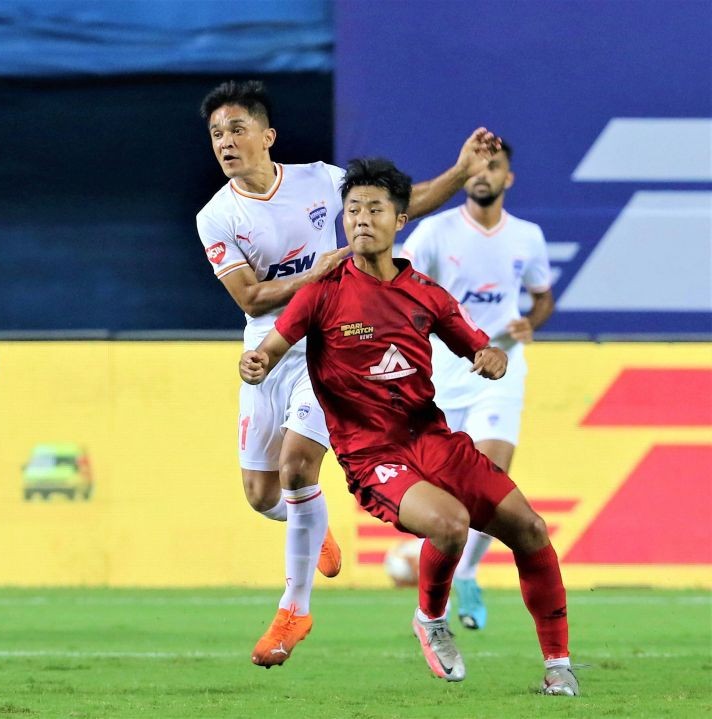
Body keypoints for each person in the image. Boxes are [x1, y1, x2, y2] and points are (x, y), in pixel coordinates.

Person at [239, 158, 578, 695]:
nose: (361, 220)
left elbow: (479, 346)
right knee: (450, 525)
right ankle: (430, 619)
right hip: (372, 453)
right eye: (352, 210)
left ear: (401, 221)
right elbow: (270, 348)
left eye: (375, 209)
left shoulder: (426, 292)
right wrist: (255, 362)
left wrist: (492, 357)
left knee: (532, 530)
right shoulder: (322, 292)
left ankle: (558, 667)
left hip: (433, 439)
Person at [197, 81, 501, 667]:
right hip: (268, 349)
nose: (226, 143)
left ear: (268, 136)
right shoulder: (217, 216)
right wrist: (319, 270)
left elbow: (398, 200)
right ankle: (310, 525)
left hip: (329, 344)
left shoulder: (317, 180)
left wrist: (461, 172)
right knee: (263, 496)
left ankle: (295, 608)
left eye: (237, 129)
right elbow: (252, 297)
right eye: (216, 134)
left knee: (295, 464)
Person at [401, 140, 554, 630]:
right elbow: (397, 284)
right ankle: (448, 571)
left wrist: (533, 322)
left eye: (495, 167)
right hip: (444, 373)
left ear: (508, 178)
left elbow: (542, 297)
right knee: (451, 490)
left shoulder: (527, 237)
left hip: (502, 367)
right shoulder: (434, 232)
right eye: (478, 166)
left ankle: (465, 573)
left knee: (491, 474)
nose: (484, 174)